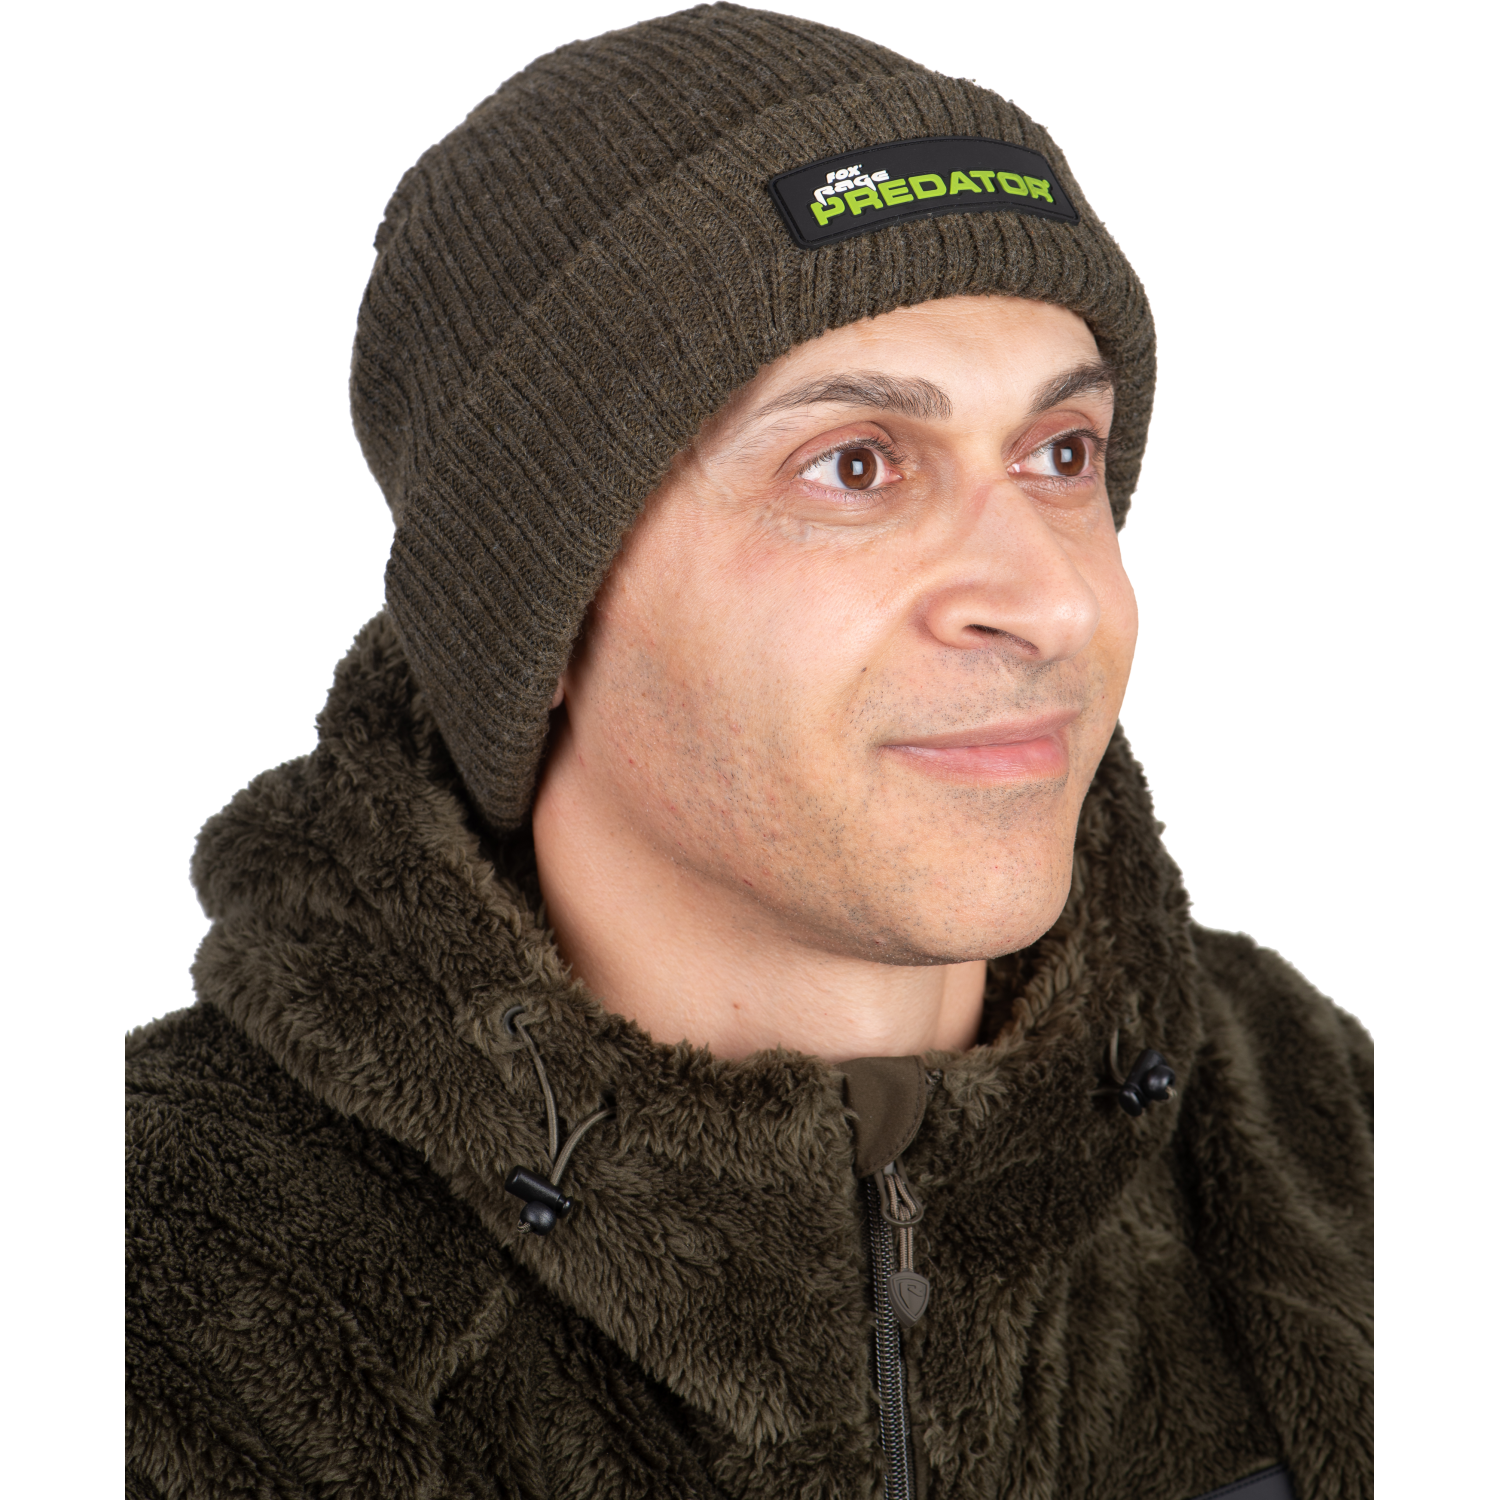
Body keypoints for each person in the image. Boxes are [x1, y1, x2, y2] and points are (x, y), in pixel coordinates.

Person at [125, 7, 1373, 1498]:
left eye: (1060, 455)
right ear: (540, 611)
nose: (1049, 599)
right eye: (855, 465)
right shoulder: (162, 1284)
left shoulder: (1304, 1115)